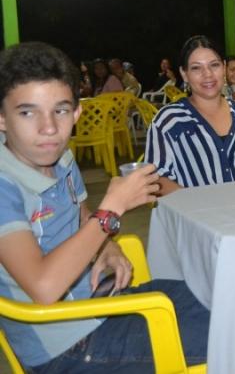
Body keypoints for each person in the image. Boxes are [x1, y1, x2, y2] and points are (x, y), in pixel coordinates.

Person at [0, 42, 209, 373]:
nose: (49, 128)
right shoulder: (4, 186)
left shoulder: (61, 158)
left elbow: (81, 216)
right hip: (66, 347)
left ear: (77, 113)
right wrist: (111, 210)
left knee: (221, 294)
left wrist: (106, 246)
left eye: (60, 110)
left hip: (102, 306)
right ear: (1, 118)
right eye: (27, 112)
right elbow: (43, 287)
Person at [145, 36, 235, 195]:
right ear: (184, 74)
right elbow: (156, 178)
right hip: (196, 208)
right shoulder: (169, 121)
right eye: (196, 68)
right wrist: (192, 202)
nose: (207, 74)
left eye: (214, 65)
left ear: (224, 68)